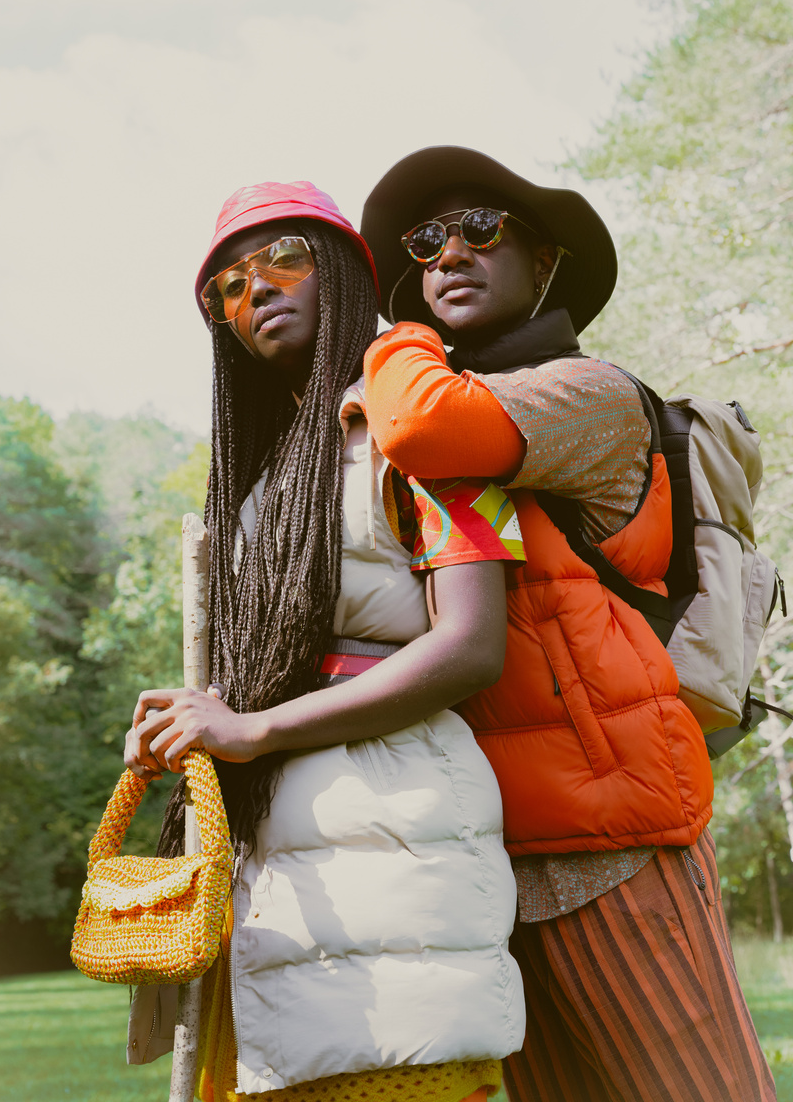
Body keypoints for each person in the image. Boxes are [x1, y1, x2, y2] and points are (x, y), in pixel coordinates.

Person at [359, 146, 777, 1102]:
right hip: (495, 857)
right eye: (426, 244)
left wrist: (396, 332)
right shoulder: (464, 434)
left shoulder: (586, 396)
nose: (449, 254)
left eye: (480, 230)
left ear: (544, 262)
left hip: (615, 841)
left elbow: (422, 424)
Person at [124, 180, 527, 1102]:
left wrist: (256, 731)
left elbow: (470, 647)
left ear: (343, 271)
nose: (254, 289)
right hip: (271, 874)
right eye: (226, 285)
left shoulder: (426, 429)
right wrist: (197, 729)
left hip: (394, 848)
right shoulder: (262, 482)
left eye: (284, 259)